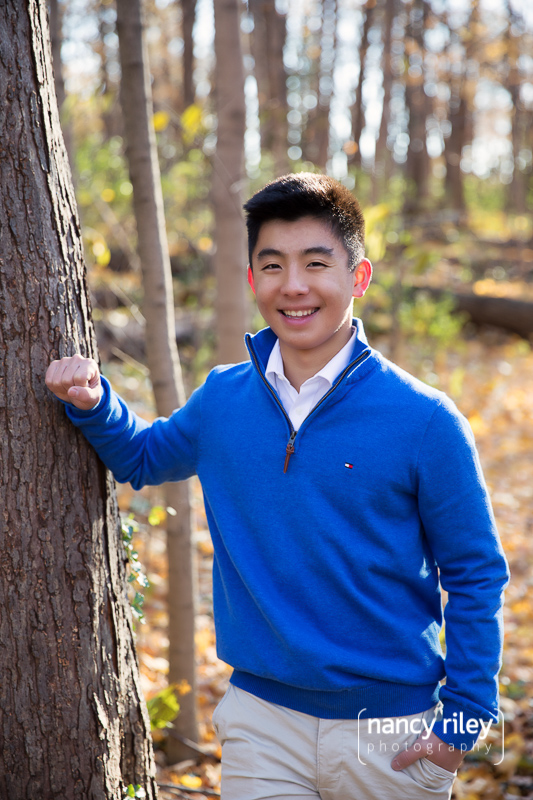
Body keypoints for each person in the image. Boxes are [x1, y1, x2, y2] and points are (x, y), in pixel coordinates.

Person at [46, 173, 509, 800]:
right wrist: (95, 400)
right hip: (262, 722)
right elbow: (144, 458)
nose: (293, 286)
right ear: (252, 280)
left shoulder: (426, 420)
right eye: (272, 265)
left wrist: (462, 725)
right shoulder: (223, 400)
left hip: (391, 730)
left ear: (358, 277)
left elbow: (476, 574)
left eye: (316, 263)